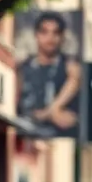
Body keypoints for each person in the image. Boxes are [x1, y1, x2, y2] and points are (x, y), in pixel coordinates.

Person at [16, 11, 82, 139]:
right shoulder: (24, 67)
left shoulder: (69, 66)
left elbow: (74, 82)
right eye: (44, 32)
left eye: (55, 33)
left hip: (58, 137)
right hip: (26, 132)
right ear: (36, 35)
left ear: (62, 37)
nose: (50, 38)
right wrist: (51, 114)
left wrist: (49, 112)